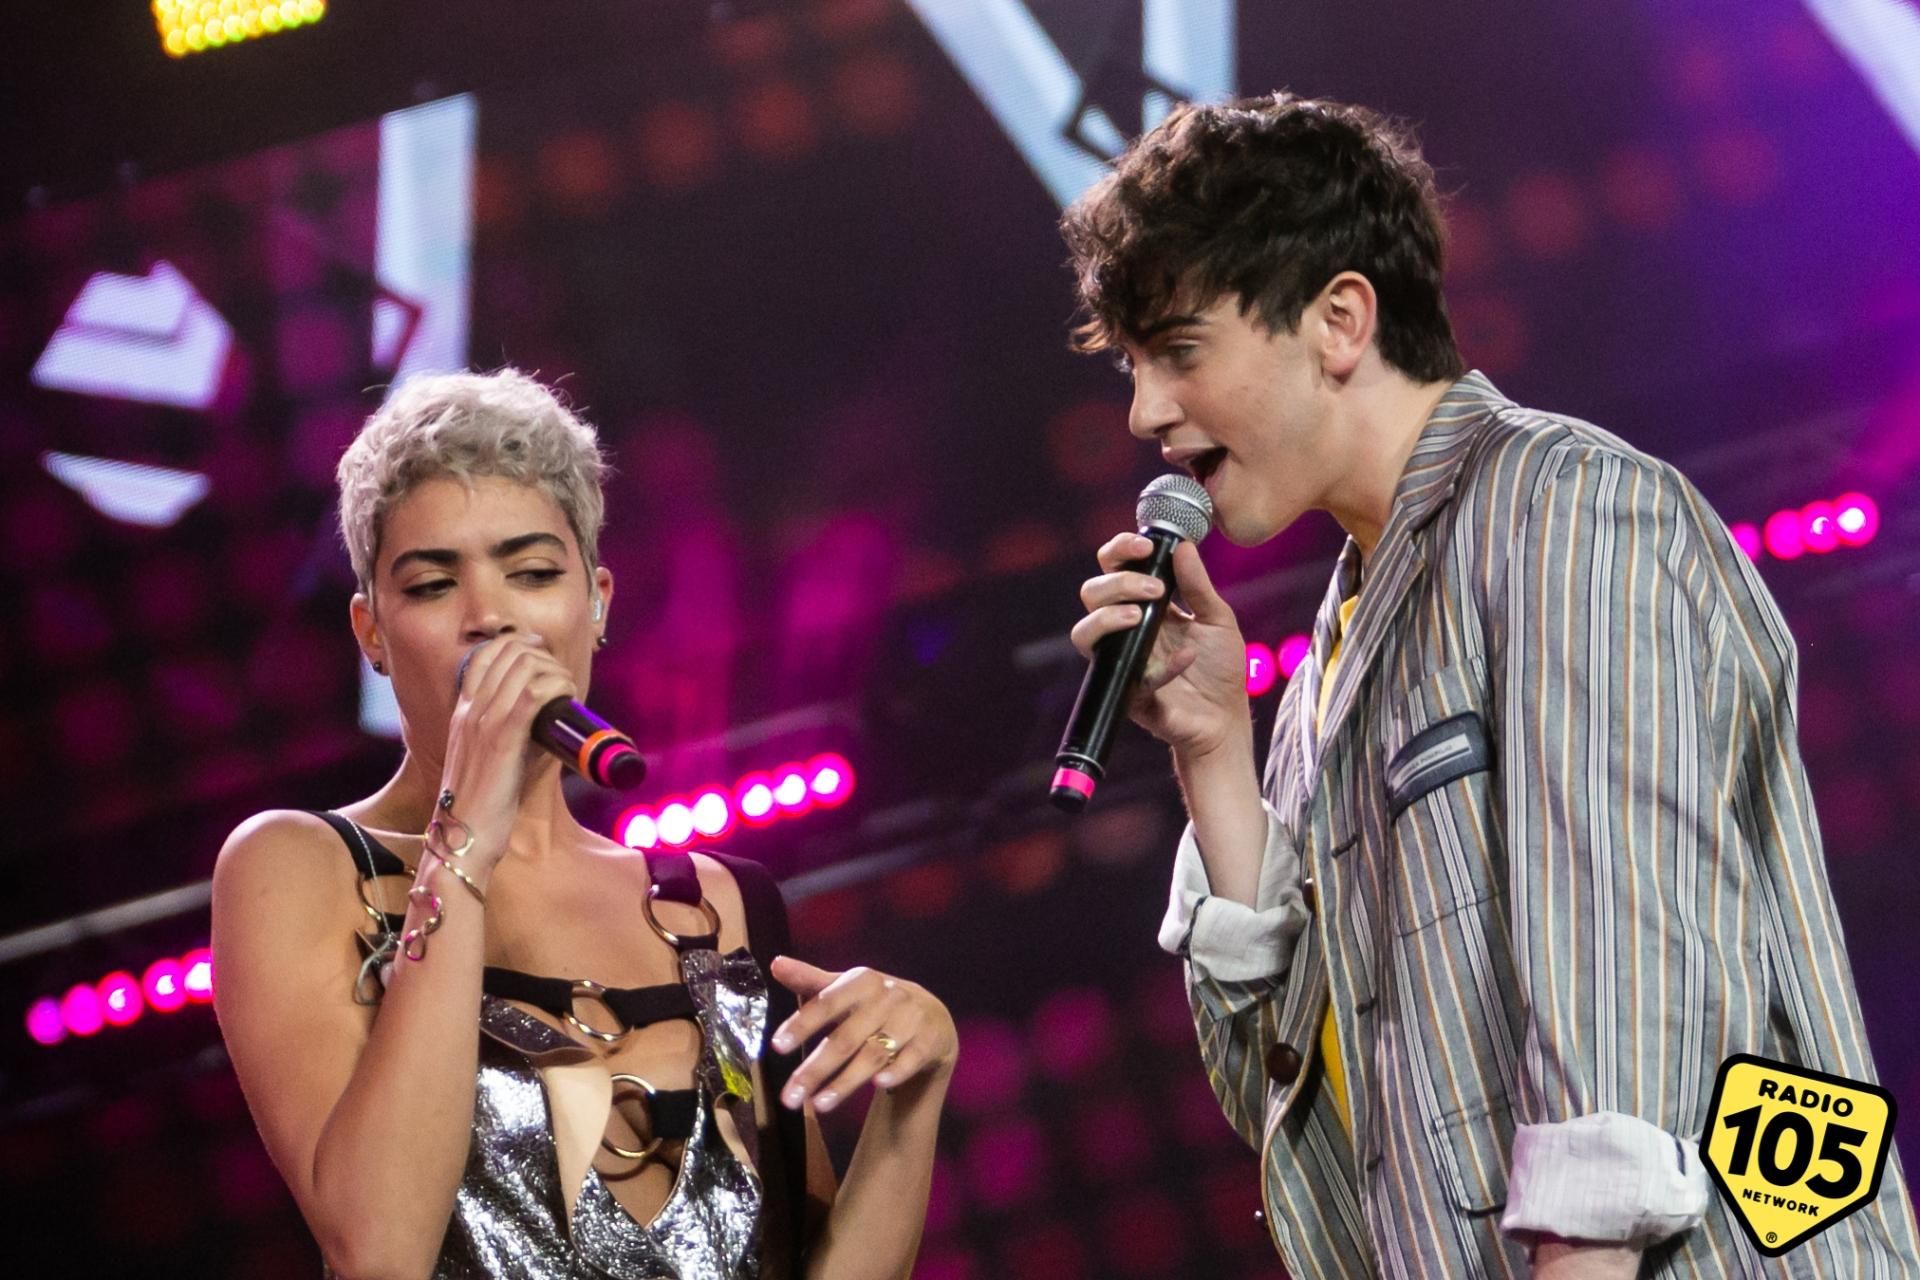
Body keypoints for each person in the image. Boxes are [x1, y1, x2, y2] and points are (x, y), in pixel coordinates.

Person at [1062, 93, 1920, 1277]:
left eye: (1179, 351)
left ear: (1340, 321)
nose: (1145, 410)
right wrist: (1214, 748)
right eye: (1134, 365)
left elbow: (1622, 977)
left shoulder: (1562, 512)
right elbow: (1289, 1103)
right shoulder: (1326, 675)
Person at [212, 368, 956, 1280]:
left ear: (596, 601)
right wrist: (464, 831)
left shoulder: (716, 902)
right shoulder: (297, 866)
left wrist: (914, 1099)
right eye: (434, 585)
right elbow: (380, 1249)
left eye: (532, 574)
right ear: (371, 632)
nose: (490, 618)